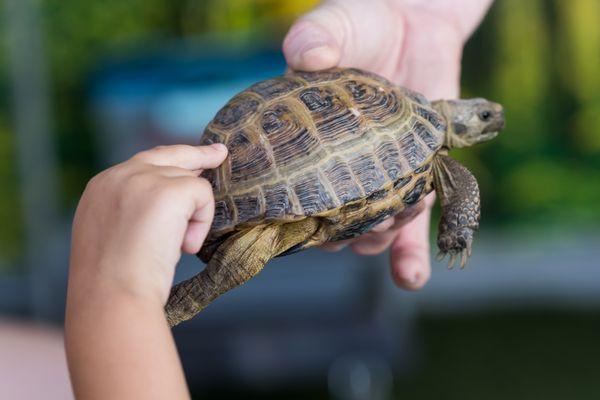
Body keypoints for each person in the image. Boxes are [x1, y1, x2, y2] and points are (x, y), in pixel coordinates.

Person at [65, 0, 494, 397]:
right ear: (457, 118)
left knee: (235, 263)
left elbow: (459, 186)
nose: (491, 119)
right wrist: (122, 297)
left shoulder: (424, 141)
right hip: (274, 190)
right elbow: (460, 184)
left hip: (274, 182)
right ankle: (171, 307)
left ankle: (168, 307)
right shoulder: (423, 136)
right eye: (483, 115)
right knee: (235, 264)